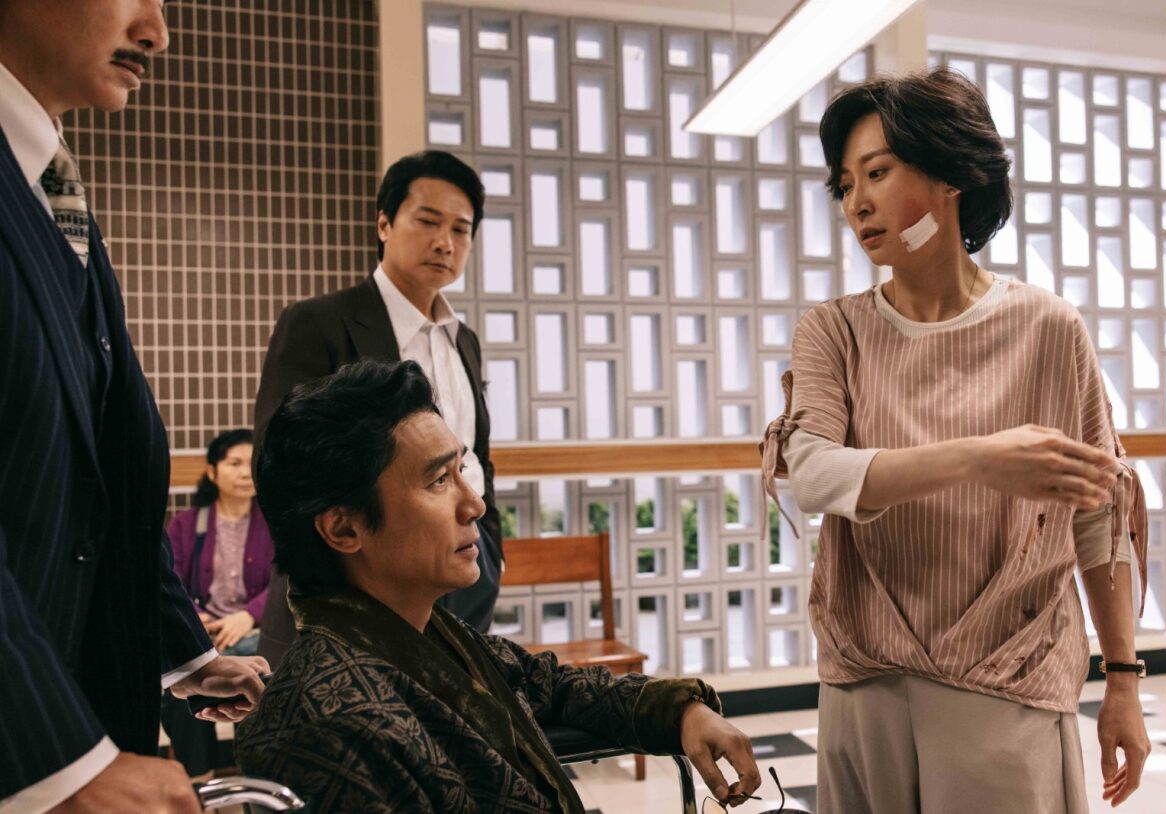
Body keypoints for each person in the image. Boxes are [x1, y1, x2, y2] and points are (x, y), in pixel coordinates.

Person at [760, 68, 1150, 814]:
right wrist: (979, 458)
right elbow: (812, 474)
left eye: (877, 172)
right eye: (844, 184)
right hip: (866, 679)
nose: (856, 202)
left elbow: (1098, 517)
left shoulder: (1047, 328)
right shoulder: (834, 331)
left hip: (1010, 679)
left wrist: (1124, 684)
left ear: (949, 177)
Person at [237, 359, 763, 812]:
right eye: (438, 481)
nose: (475, 504)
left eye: (461, 471)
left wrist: (680, 709)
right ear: (343, 529)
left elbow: (551, 686)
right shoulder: (323, 723)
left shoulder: (429, 635)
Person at [0, 2, 268, 811]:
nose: (158, 32)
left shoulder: (48, 186)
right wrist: (57, 765)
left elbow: (95, 483)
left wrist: (183, 653)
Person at [253, 150, 503, 668]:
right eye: (428, 221)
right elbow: (282, 468)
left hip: (462, 571)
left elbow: (478, 457)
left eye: (461, 230)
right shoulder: (320, 323)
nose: (445, 242)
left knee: (454, 714)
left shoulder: (465, 341)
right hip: (357, 593)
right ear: (384, 223)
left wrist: (492, 548)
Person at [162, 429, 275, 777]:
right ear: (212, 472)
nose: (244, 473)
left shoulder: (275, 521)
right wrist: (195, 617)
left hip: (253, 633)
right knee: (181, 682)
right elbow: (170, 578)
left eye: (250, 464)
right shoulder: (186, 523)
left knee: (263, 672)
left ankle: (257, 772)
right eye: (233, 463)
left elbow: (284, 578)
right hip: (206, 632)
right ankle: (200, 777)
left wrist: (247, 616)